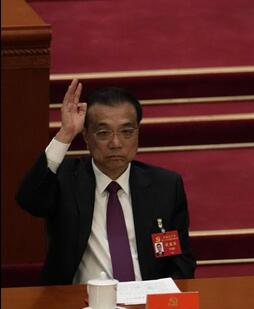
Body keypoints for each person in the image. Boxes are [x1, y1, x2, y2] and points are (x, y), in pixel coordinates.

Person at [16, 79, 196, 285]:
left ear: (138, 133)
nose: (116, 143)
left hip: (146, 299)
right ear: (85, 135)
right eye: (103, 133)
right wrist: (65, 134)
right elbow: (29, 200)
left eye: (126, 132)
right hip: (81, 300)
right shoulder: (65, 178)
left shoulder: (165, 186)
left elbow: (179, 258)